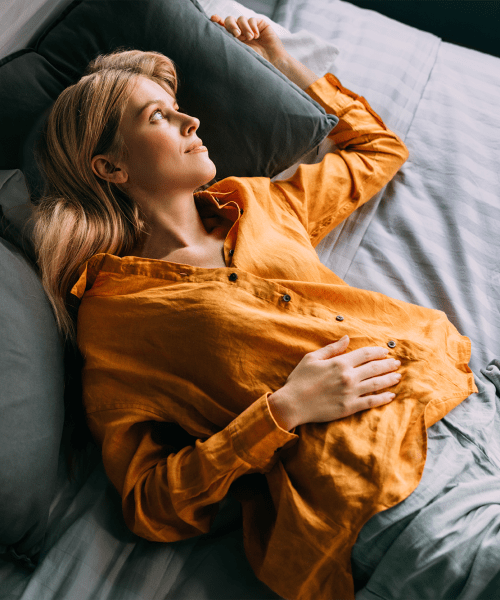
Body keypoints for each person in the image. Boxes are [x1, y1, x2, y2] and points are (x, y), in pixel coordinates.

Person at [32, 15, 476, 600]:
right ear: (111, 168)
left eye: (177, 105)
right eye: (158, 116)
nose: (191, 120)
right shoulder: (117, 316)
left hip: (465, 399)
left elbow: (377, 150)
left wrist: (281, 62)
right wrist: (282, 412)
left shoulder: (259, 203)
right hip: (385, 488)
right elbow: (148, 502)